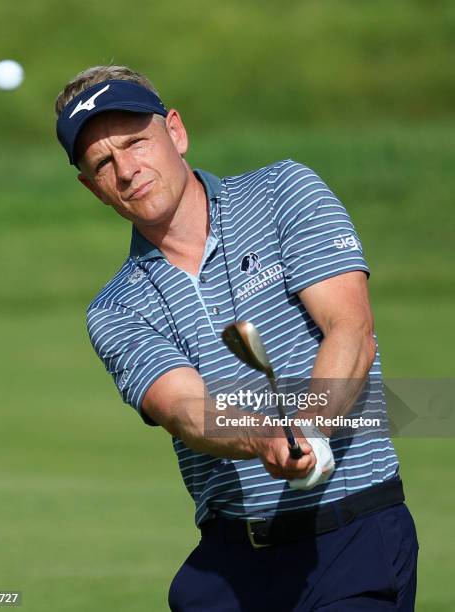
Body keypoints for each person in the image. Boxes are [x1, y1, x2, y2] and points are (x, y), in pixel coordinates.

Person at [55, 65, 419, 611]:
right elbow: (183, 408)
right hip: (232, 564)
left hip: (352, 535)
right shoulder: (115, 309)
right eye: (104, 163)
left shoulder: (283, 193)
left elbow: (351, 330)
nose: (127, 169)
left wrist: (311, 427)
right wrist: (267, 438)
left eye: (137, 142)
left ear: (175, 132)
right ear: (91, 187)